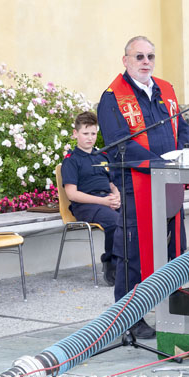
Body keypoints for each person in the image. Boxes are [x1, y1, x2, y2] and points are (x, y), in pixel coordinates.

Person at [97, 36, 189, 339]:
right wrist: (158, 163)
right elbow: (119, 145)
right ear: (125, 60)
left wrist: (183, 154)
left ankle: (173, 308)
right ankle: (129, 318)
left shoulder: (166, 90)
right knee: (132, 256)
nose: (146, 62)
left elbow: (183, 129)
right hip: (134, 186)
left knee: (174, 249)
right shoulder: (113, 98)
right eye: (139, 56)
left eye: (150, 56)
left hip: (169, 184)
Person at [61, 111, 120, 286]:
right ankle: (111, 263)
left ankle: (130, 263)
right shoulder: (71, 160)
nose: (90, 138)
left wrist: (116, 196)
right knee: (115, 221)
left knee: (133, 216)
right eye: (85, 133)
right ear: (75, 134)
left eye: (93, 133)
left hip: (106, 201)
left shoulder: (102, 156)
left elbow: (113, 183)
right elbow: (72, 194)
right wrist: (103, 201)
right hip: (85, 205)